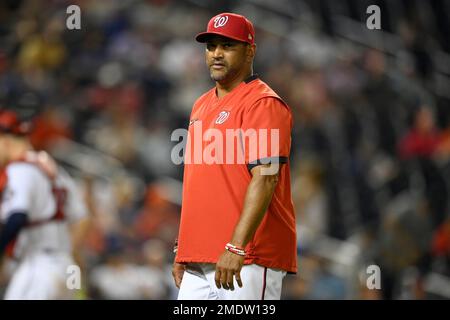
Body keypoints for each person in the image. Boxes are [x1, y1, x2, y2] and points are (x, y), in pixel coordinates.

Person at [172, 12, 297, 300]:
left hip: (248, 257)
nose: (216, 53)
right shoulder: (200, 105)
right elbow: (199, 184)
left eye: (227, 46)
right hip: (199, 259)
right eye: (211, 46)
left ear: (250, 50)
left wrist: (237, 246)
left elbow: (266, 179)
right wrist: (184, 246)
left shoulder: (263, 103)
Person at [0, 109, 89, 299]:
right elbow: (82, 219)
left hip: (38, 267)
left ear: (5, 140)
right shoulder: (52, 169)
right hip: (66, 267)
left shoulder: (19, 169)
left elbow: (17, 217)